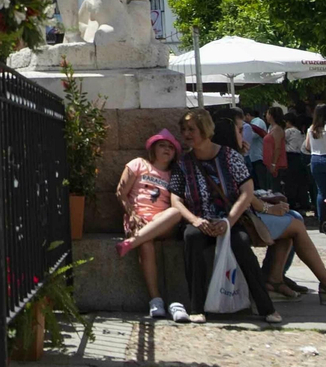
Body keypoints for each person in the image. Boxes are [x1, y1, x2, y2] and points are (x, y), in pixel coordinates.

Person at [168, 109, 281, 325]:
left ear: (205, 130)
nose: (187, 134)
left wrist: (228, 220)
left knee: (241, 243)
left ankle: (266, 307)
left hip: (230, 220)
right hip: (200, 220)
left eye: (191, 129)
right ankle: (197, 307)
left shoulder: (230, 156)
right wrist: (195, 220)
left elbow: (247, 192)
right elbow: (176, 199)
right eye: (184, 130)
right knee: (191, 239)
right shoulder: (184, 163)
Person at [116, 130, 199, 320]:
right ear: (153, 148)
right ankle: (156, 301)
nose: (167, 149)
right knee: (146, 243)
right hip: (138, 220)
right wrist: (132, 214)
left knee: (176, 212)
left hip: (163, 223)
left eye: (171, 147)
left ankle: (130, 244)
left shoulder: (175, 175)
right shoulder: (138, 164)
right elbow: (120, 193)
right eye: (162, 145)